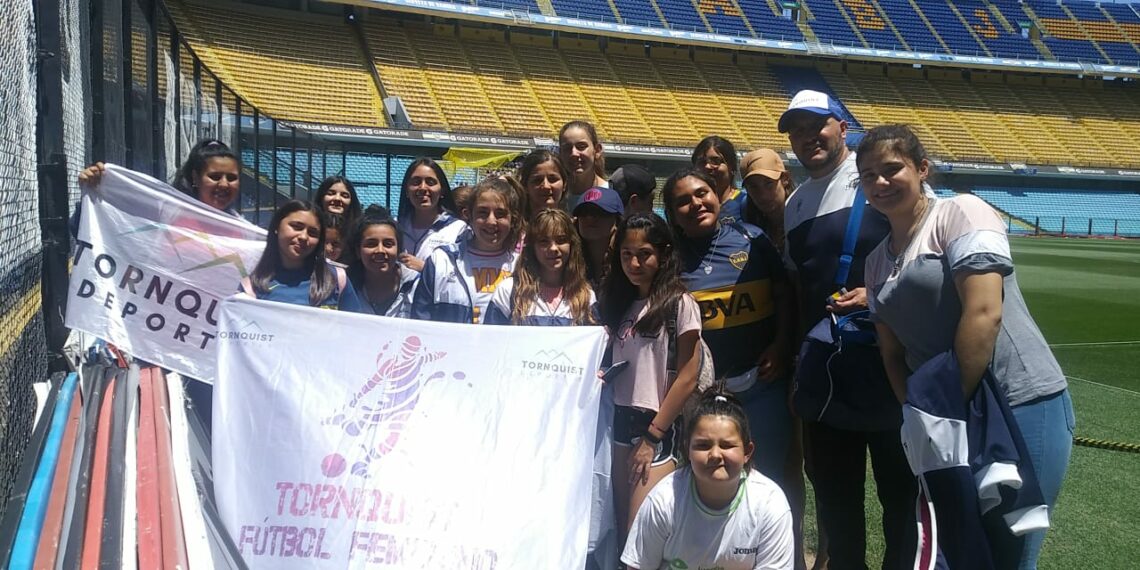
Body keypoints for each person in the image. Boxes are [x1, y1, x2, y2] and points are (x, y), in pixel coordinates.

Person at [859, 125, 1071, 570]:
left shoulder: (960, 213)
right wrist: (918, 413)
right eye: (868, 175)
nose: (880, 182)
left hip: (1018, 400)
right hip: (941, 417)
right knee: (958, 546)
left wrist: (943, 410)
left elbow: (984, 313)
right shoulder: (876, 261)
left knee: (1010, 552)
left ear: (922, 168)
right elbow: (891, 353)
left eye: (892, 169)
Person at [779, 90, 914, 569]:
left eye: (816, 125)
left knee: (902, 498)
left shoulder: (877, 182)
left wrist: (877, 296)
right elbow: (799, 287)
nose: (806, 137)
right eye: (796, 131)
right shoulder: (795, 203)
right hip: (829, 375)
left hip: (892, 368)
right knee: (837, 503)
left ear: (841, 126)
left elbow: (926, 253)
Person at [661, 168, 794, 486]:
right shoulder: (669, 257)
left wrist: (781, 345)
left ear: (716, 195)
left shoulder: (752, 239)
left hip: (762, 384)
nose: (696, 203)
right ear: (673, 214)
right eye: (683, 201)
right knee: (710, 480)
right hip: (703, 394)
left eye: (701, 193)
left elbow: (785, 295)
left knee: (768, 477)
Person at [599, 212, 702, 546]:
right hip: (619, 422)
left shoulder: (680, 303)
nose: (634, 263)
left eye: (644, 254)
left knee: (641, 533)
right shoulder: (619, 303)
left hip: (656, 426)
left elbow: (688, 376)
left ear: (663, 253)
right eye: (626, 254)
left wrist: (652, 436)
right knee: (620, 527)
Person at [739, 148, 813, 570]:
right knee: (775, 460)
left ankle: (802, 552)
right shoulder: (750, 228)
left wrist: (791, 347)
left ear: (784, 178)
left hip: (803, 348)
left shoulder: (804, 217)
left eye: (768, 183)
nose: (762, 192)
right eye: (754, 185)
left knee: (798, 462)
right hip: (768, 356)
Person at [622, 391, 794, 570]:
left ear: (747, 452)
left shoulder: (769, 504)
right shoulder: (663, 500)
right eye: (703, 445)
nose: (715, 454)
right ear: (687, 450)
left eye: (727, 445)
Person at [75, 139, 245, 235]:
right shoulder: (163, 212)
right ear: (195, 177)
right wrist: (93, 195)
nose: (224, 184)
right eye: (215, 177)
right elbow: (102, 235)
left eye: (231, 178)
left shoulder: (244, 233)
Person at [412, 177, 522, 323]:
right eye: (483, 213)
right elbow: (419, 322)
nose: (491, 221)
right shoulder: (442, 261)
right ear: (468, 215)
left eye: (500, 214)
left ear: (513, 219)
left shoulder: (521, 268)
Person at [242, 200, 363, 311]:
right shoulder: (250, 288)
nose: (304, 237)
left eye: (312, 233)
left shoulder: (337, 280)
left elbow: (356, 325)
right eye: (296, 227)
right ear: (277, 227)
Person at [484, 209, 596, 326]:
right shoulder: (509, 291)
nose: (553, 248)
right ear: (532, 247)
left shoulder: (585, 296)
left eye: (561, 240)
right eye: (544, 241)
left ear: (572, 245)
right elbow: (490, 335)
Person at [344, 205, 417, 318]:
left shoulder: (416, 285)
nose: (380, 250)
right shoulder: (344, 285)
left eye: (388, 244)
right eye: (371, 244)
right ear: (358, 250)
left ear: (398, 249)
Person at [396, 158, 466, 272]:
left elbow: (463, 273)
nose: (423, 187)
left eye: (430, 182)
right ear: (406, 191)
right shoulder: (395, 227)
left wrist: (425, 268)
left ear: (442, 190)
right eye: (416, 182)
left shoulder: (458, 229)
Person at [740, 149, 795, 254]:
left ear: (785, 179)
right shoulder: (746, 215)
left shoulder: (804, 213)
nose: (763, 195)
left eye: (769, 183)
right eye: (753, 187)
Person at [574, 186, 624, 289]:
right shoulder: (568, 261)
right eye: (583, 212)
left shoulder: (627, 260)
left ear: (617, 220)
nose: (589, 217)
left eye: (599, 212)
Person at [692, 136, 746, 225]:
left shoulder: (746, 203)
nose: (707, 167)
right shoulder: (691, 205)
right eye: (702, 162)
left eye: (716, 161)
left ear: (731, 167)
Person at [559, 121, 608, 210]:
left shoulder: (612, 193)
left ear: (597, 150)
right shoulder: (556, 197)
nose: (574, 153)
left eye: (581, 147)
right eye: (567, 148)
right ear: (560, 153)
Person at [518, 149, 569, 220]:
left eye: (553, 179)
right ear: (525, 186)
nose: (546, 186)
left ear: (564, 184)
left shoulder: (576, 225)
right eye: (537, 180)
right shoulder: (512, 226)